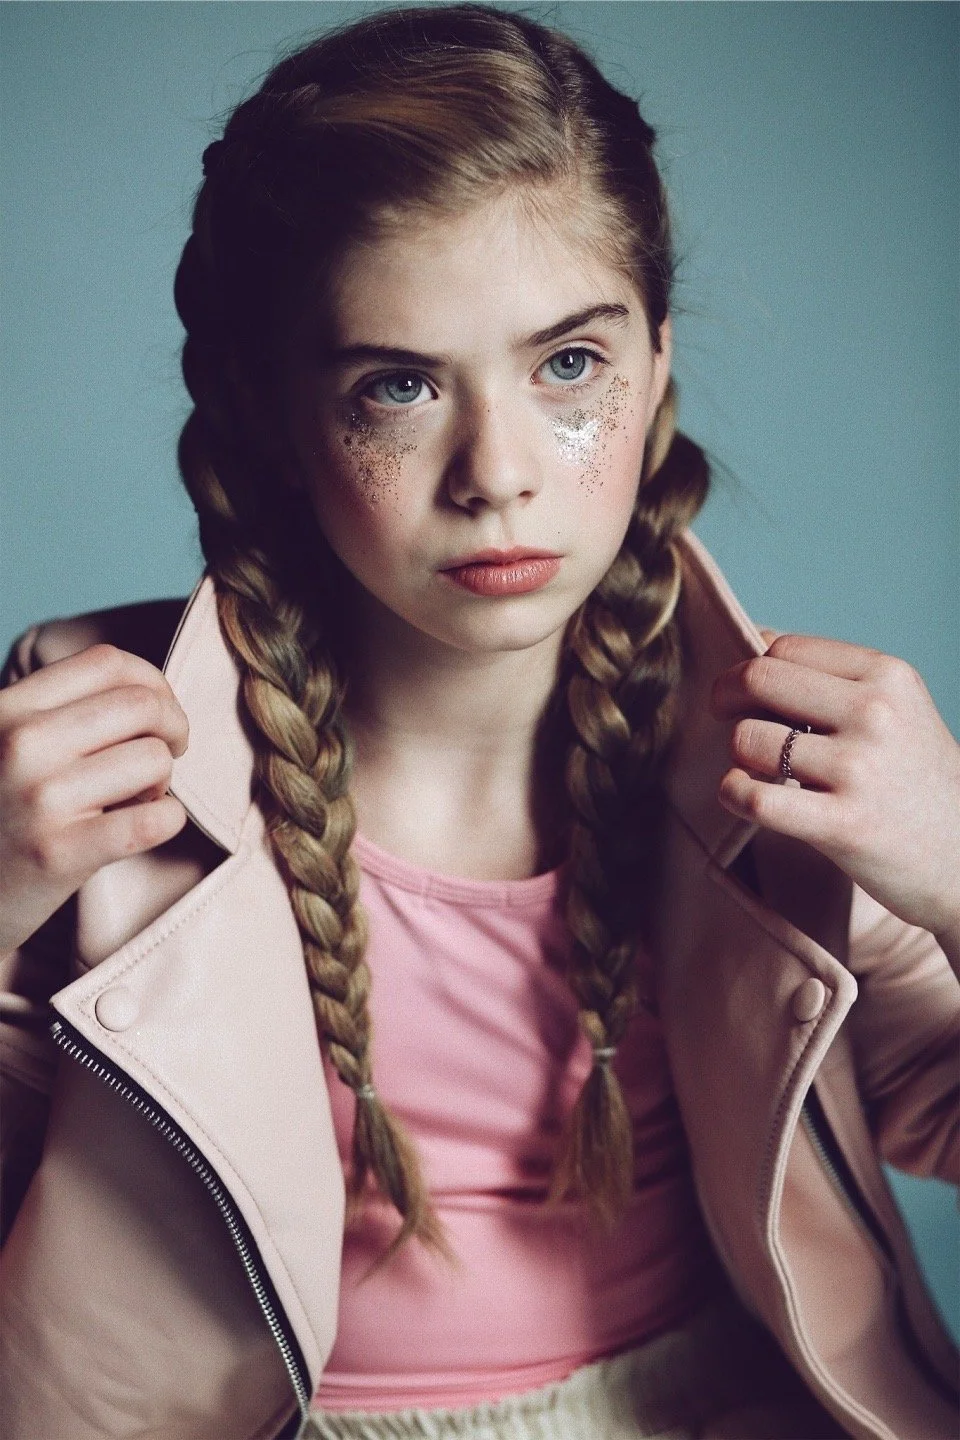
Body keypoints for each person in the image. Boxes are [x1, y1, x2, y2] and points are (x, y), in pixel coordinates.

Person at [0, 5, 957, 1438]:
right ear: (271, 410)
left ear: (657, 362)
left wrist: (957, 870)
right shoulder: (101, 754)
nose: (496, 472)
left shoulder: (775, 759)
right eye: (397, 385)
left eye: (568, 365)